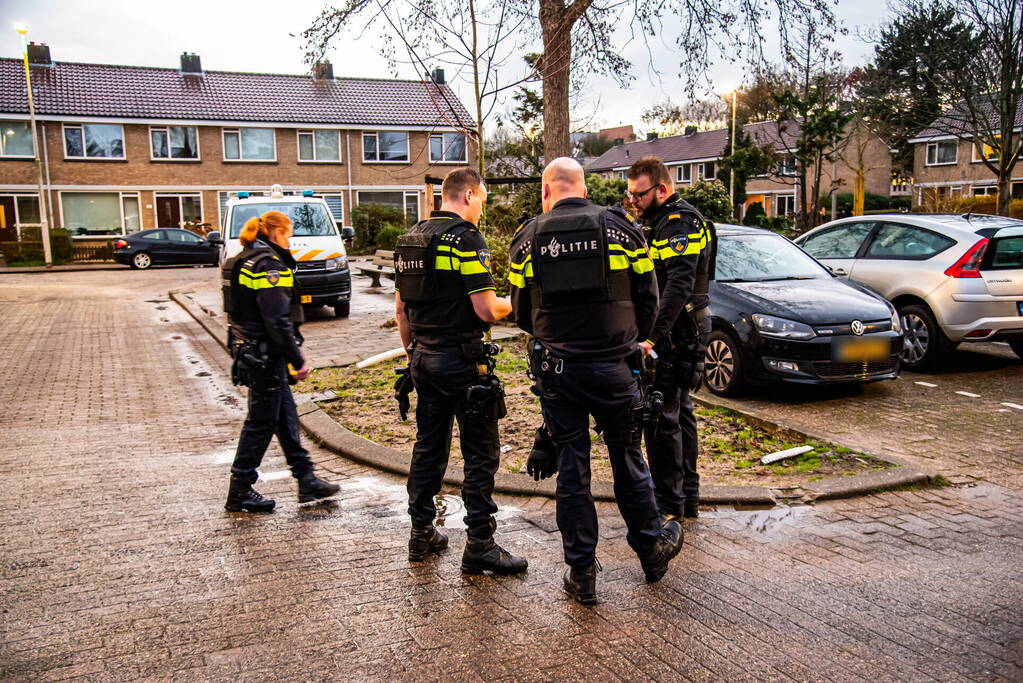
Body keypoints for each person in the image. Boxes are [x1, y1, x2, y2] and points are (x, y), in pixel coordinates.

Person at [509, 157, 685, 605]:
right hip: (614, 370)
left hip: (559, 373)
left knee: (572, 464)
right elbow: (650, 298)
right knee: (627, 455)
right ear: (583, 188)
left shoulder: (527, 239)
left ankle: (582, 570)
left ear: (547, 191)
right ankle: (650, 548)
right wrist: (634, 340)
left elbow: (521, 312)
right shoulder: (623, 229)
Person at [394, 167, 528, 576]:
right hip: (464, 362)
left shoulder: (410, 239)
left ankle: (421, 534)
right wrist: (517, 303)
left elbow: (401, 311)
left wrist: (415, 353)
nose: (482, 208)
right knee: (479, 454)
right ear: (468, 195)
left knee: (428, 449)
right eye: (482, 199)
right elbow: (486, 309)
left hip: (423, 360)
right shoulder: (466, 240)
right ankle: (481, 545)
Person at [221, 210, 340, 512]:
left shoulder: (244, 257)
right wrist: (297, 359)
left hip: (252, 351)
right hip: (265, 356)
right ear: (274, 233)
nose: (291, 240)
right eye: (288, 234)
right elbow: (276, 320)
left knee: (285, 418)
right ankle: (240, 489)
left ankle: (306, 479)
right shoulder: (267, 265)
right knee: (260, 424)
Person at [626, 157, 715, 521]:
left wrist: (651, 337)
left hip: (680, 330)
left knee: (663, 417)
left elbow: (677, 287)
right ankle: (686, 499)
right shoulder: (663, 221)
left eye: (639, 194)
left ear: (661, 189)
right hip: (683, 327)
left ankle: (670, 505)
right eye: (629, 194)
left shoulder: (678, 222)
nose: (633, 201)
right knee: (679, 413)